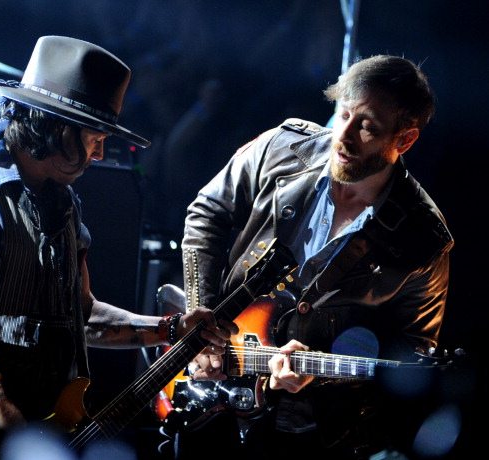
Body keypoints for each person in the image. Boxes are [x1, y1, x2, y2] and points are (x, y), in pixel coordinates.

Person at [0, 35, 235, 460]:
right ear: (53, 124)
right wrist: (26, 443)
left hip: (48, 430)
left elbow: (82, 317)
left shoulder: (62, 202)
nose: (100, 152)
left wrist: (171, 329)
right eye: (94, 136)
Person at [173, 55, 454, 459]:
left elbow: (412, 351)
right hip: (215, 397)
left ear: (405, 140)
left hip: (316, 433)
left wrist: (321, 375)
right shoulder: (282, 147)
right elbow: (207, 213)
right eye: (342, 114)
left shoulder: (425, 239)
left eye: (368, 127)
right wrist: (201, 317)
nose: (344, 135)